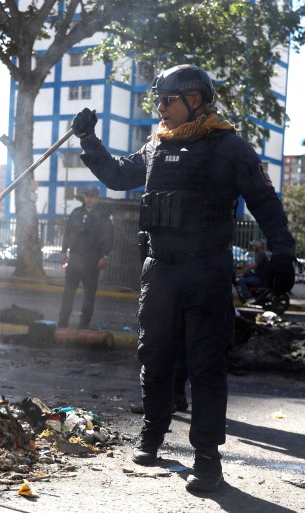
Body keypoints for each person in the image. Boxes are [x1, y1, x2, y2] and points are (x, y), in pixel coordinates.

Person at [70, 64, 296, 492]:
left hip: (207, 272)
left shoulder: (228, 146)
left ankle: (207, 460)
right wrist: (88, 140)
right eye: (158, 100)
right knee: (153, 356)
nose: (160, 107)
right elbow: (119, 175)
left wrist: (283, 252)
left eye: (167, 99)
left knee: (206, 364)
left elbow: (265, 201)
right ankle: (151, 437)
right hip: (159, 270)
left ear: (195, 99)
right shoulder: (157, 144)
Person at [57, 185, 113, 329]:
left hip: (92, 262)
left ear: (97, 198)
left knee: (89, 296)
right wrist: (63, 252)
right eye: (87, 196)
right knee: (68, 293)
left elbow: (108, 237)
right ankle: (62, 323)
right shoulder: (76, 213)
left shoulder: (103, 215)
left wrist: (104, 256)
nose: (89, 199)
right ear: (84, 197)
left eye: (92, 196)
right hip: (74, 260)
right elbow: (67, 233)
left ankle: (84, 324)